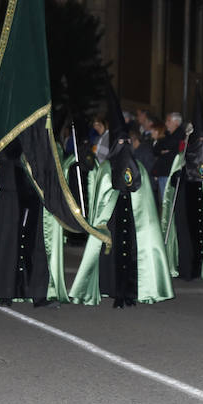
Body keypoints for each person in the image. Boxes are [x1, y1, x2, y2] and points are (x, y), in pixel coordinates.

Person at [69, 86, 173, 308]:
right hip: (113, 220)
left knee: (133, 254)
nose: (125, 147)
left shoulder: (139, 168)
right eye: (120, 143)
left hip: (134, 221)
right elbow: (102, 195)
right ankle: (115, 290)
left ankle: (131, 291)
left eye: (127, 143)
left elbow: (145, 199)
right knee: (114, 254)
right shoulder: (107, 168)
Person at [0, 139, 68, 306]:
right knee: (8, 244)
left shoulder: (36, 130)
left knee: (36, 244)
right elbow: (0, 155)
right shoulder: (6, 129)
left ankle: (38, 293)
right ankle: (5, 292)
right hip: (10, 193)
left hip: (34, 192)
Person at [160, 90, 203, 281]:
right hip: (184, 204)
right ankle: (185, 267)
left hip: (202, 207)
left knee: (201, 234)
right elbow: (172, 182)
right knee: (185, 234)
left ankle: (200, 267)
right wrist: (178, 176)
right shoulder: (182, 157)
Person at [152, 112, 184, 202]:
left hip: (170, 172)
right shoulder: (167, 134)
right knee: (164, 199)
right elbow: (156, 148)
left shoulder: (179, 134)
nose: (166, 123)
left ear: (176, 122)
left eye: (169, 121)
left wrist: (163, 150)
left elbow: (168, 145)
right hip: (164, 171)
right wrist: (162, 150)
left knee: (167, 200)